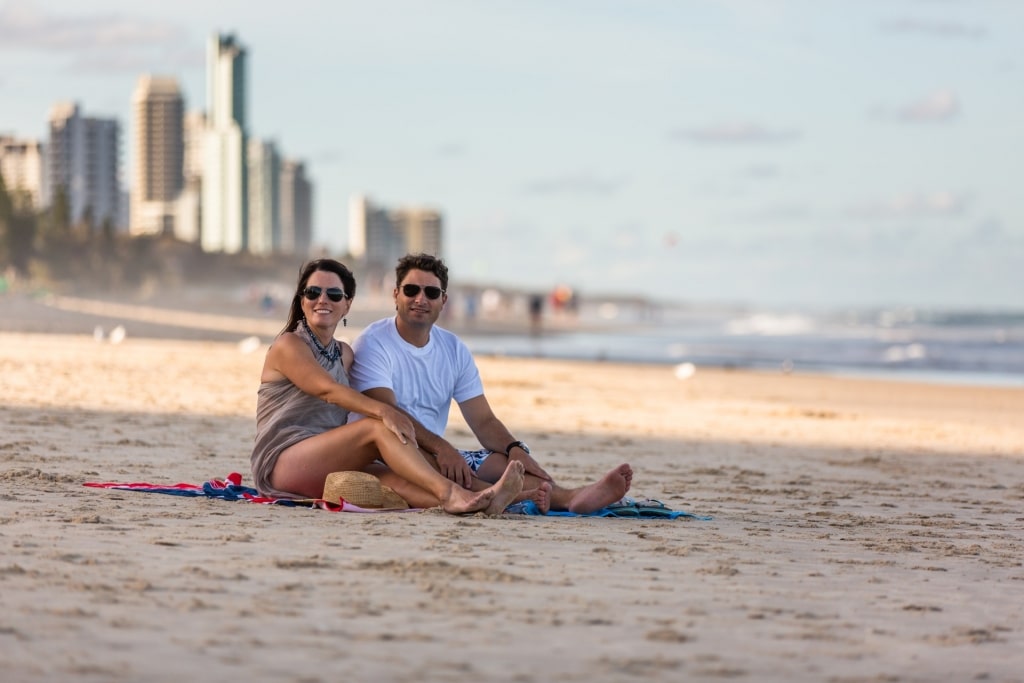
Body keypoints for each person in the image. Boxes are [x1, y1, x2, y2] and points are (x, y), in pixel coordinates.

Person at [349, 253, 633, 514]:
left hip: (435, 449)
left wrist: (514, 448)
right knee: (449, 466)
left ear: (443, 301)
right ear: (396, 294)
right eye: (411, 290)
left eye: (431, 292)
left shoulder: (453, 348)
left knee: (509, 465)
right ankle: (507, 496)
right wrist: (442, 448)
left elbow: (483, 420)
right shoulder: (374, 343)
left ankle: (572, 497)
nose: (421, 299)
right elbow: (389, 412)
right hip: (389, 450)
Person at [250, 258, 525, 515]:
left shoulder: (344, 353)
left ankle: (480, 501)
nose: (323, 300)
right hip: (282, 462)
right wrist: (384, 411)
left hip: (328, 457)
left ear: (347, 304)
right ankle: (451, 492)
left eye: (334, 295)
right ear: (302, 300)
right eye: (313, 293)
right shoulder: (289, 345)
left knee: (395, 479)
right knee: (377, 426)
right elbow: (328, 391)